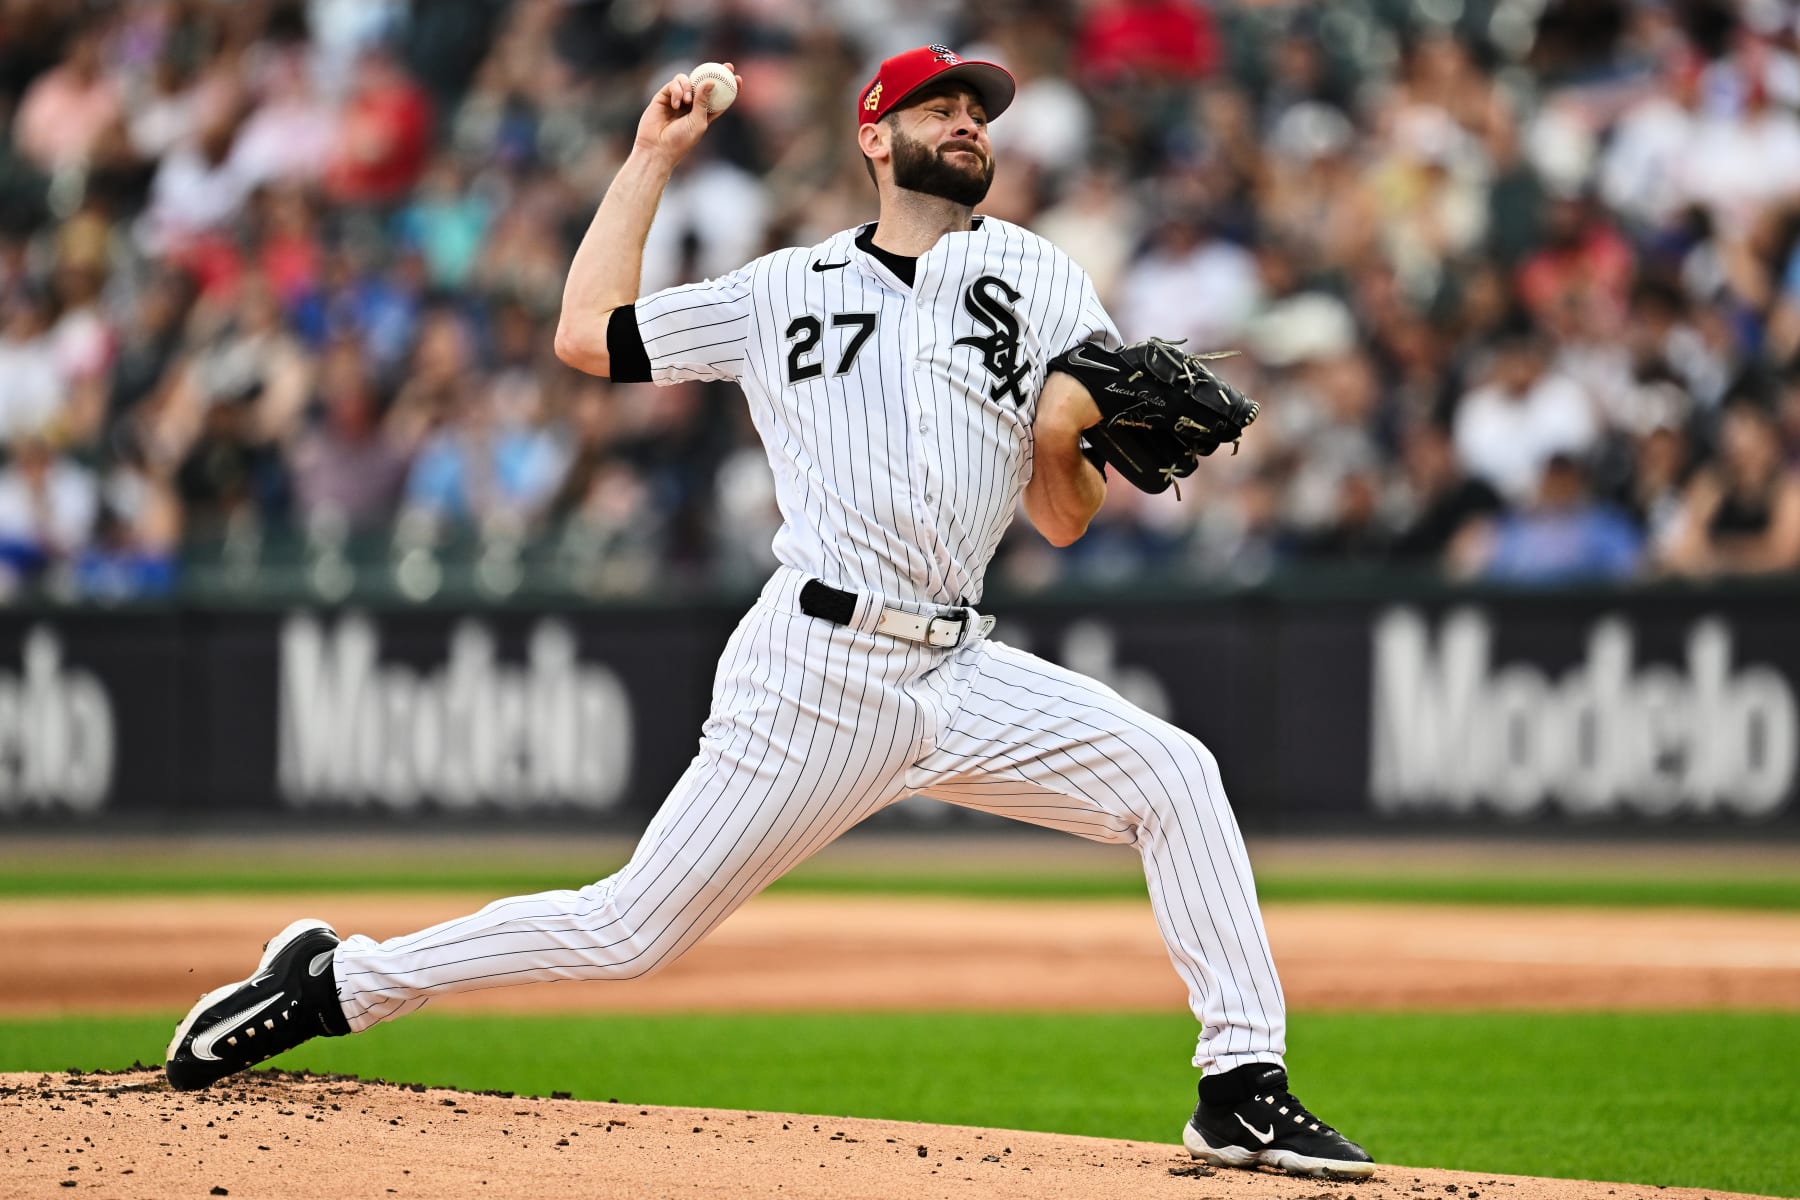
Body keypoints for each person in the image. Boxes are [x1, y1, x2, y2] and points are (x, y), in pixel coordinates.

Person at [164, 46, 1374, 1180]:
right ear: (875, 136)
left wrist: (1066, 436)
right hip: (816, 670)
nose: (965, 121)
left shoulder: (1043, 277)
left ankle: (1240, 1083)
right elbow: (587, 338)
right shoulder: (781, 290)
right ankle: (337, 983)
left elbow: (1063, 518)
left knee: (1176, 776)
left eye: (978, 111)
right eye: (938, 106)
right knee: (629, 929)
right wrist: (652, 158)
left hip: (959, 667)